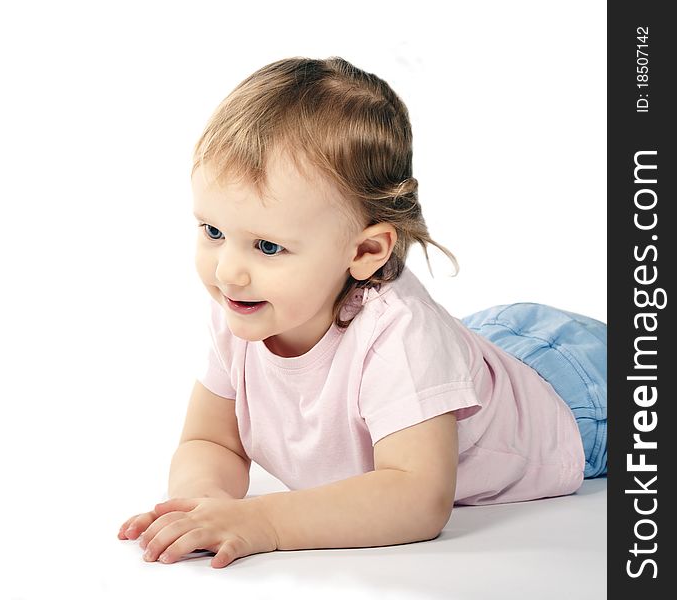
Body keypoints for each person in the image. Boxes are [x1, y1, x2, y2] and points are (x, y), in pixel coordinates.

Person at [116, 56, 607, 569]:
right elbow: (210, 439)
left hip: (574, 401)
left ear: (365, 252)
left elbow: (417, 499)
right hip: (484, 351)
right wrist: (203, 505)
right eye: (213, 232)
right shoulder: (244, 307)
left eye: (266, 246)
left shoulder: (402, 337)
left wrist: (264, 521)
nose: (228, 272)